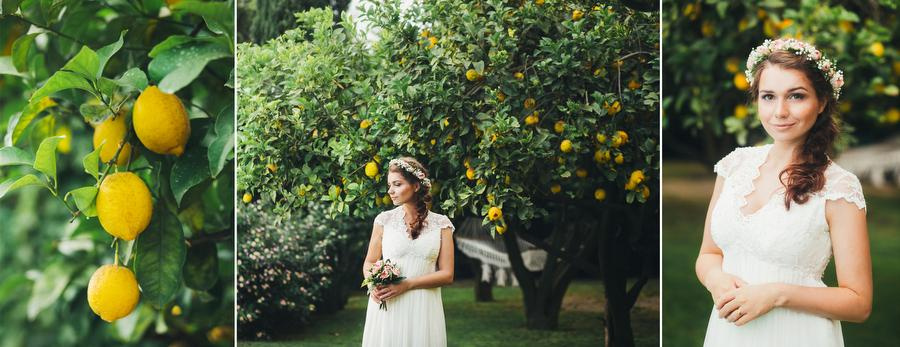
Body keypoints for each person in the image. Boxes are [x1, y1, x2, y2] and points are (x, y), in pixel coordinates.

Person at [696, 38, 871, 346]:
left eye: (796, 96)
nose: (780, 111)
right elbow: (709, 254)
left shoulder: (839, 188)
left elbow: (858, 303)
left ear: (822, 102)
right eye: (768, 96)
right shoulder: (734, 166)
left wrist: (777, 294)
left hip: (797, 334)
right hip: (729, 332)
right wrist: (716, 280)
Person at [362, 157, 455, 347]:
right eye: (389, 185)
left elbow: (447, 275)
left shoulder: (442, 224)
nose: (390, 191)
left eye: (397, 184)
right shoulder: (383, 220)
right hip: (389, 305)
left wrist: (408, 284)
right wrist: (373, 285)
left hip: (424, 307)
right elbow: (370, 262)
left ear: (416, 186)